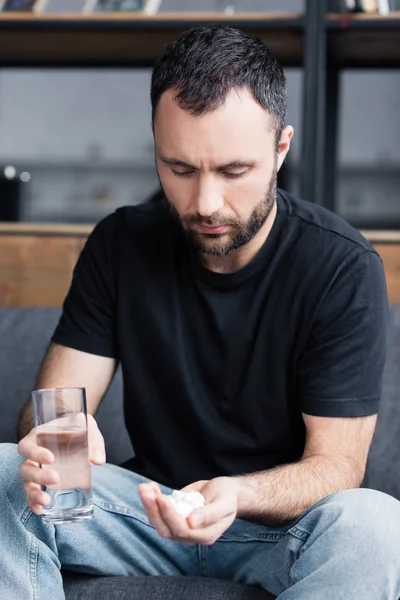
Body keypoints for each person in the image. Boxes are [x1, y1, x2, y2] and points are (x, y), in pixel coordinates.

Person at [1, 25, 400, 600]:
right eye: (180, 170)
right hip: (144, 513)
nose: (205, 203)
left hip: (277, 532)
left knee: (376, 525)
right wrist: (51, 439)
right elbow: (55, 410)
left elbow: (337, 467)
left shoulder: (341, 265)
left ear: (280, 149)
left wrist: (234, 494)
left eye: (234, 171)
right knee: (2, 473)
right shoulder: (121, 243)